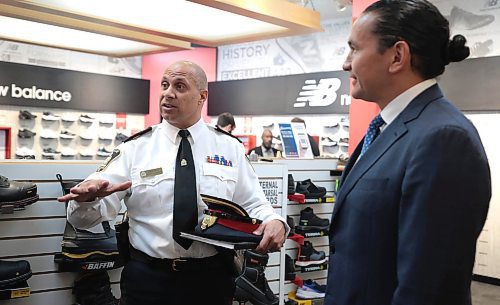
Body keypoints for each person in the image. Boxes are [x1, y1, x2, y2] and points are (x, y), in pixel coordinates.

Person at [58, 61, 287, 305]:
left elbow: (253, 201)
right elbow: (81, 220)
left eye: (179, 86)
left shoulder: (229, 148)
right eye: (165, 85)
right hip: (148, 282)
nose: (168, 93)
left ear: (202, 97)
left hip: (212, 282)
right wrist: (87, 200)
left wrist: (275, 220)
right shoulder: (134, 148)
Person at [325, 1, 491, 305]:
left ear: (397, 56)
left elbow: (430, 288)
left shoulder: (444, 139)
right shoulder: (390, 127)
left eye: (355, 49)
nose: (346, 63)